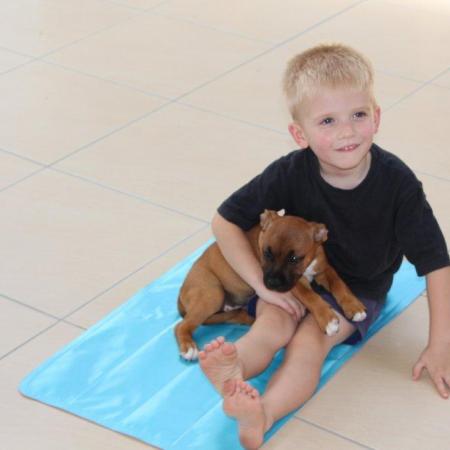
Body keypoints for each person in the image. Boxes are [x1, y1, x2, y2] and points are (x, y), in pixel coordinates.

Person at [198, 43, 450, 450]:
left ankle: (263, 414)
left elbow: (437, 263)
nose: (346, 131)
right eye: (328, 120)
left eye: (358, 115)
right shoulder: (289, 171)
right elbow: (224, 221)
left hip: (358, 288)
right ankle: (233, 367)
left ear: (376, 117)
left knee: (308, 343)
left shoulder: (398, 185)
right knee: (273, 323)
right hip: (293, 281)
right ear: (300, 134)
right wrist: (261, 286)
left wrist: (440, 346)